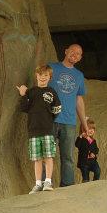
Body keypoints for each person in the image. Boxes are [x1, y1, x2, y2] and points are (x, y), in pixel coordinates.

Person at [18, 65, 63, 193]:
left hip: (47, 130)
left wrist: (48, 119)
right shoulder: (31, 92)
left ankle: (48, 181)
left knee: (48, 157)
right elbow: (24, 108)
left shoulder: (51, 92)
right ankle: (38, 184)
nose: (43, 77)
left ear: (50, 77)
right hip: (33, 130)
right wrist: (23, 95)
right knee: (37, 158)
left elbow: (57, 109)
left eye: (46, 75)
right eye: (40, 75)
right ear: (36, 76)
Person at [50, 44, 89, 186]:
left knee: (68, 157)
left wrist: (84, 124)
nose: (75, 54)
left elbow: (79, 100)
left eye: (78, 53)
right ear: (66, 51)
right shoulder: (51, 67)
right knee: (46, 155)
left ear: (80, 58)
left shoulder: (79, 75)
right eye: (73, 51)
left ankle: (67, 186)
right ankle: (43, 185)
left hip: (69, 121)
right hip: (50, 119)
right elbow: (40, 86)